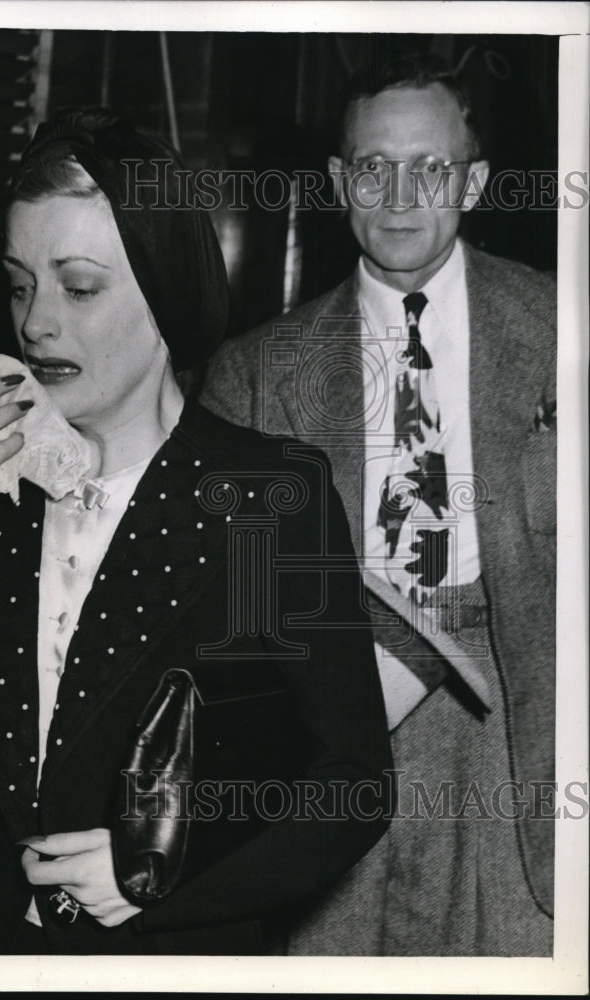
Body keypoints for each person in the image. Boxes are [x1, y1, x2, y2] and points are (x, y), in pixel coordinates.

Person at [0, 107, 392, 956]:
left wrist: (158, 864)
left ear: (164, 288)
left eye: (77, 286)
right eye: (19, 282)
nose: (36, 322)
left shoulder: (266, 498)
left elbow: (350, 787)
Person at [201, 54, 556, 956]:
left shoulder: (565, 332)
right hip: (338, 781)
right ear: (336, 181)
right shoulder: (253, 371)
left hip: (526, 782)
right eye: (372, 166)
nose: (399, 194)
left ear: (472, 181)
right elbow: (218, 619)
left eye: (430, 168)